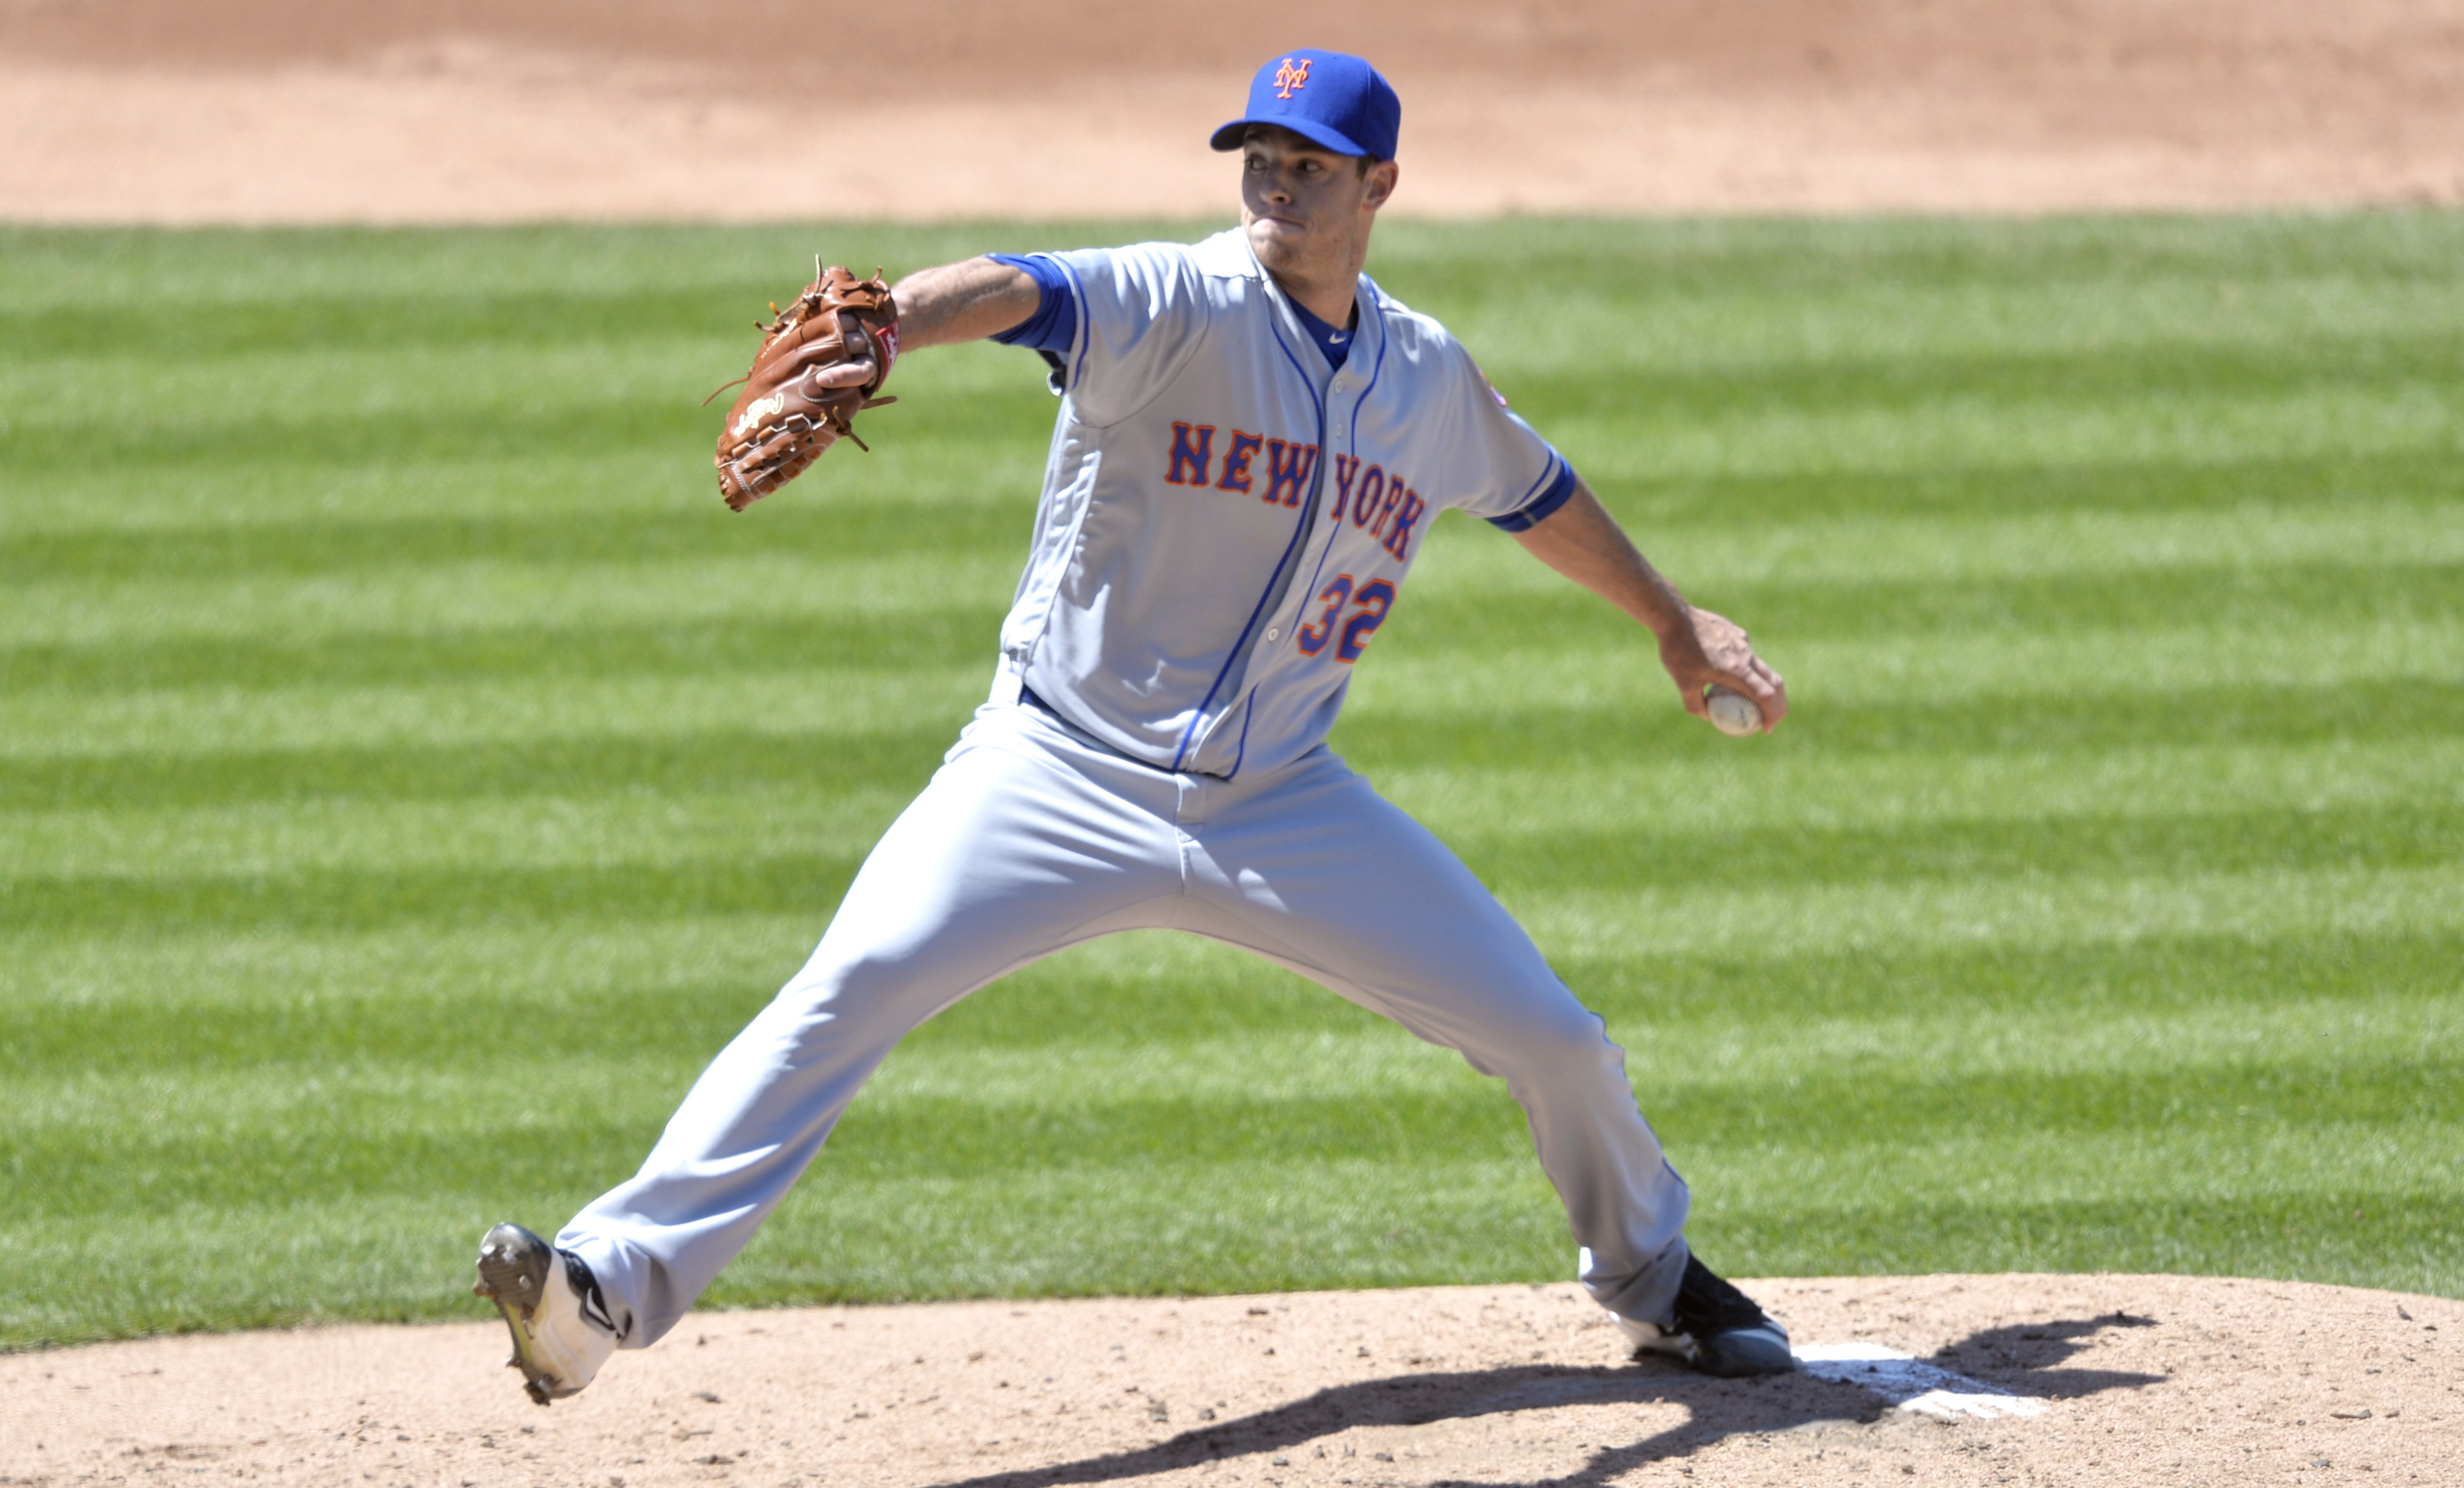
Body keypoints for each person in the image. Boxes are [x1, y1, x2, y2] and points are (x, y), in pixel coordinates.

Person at [475, 48, 1794, 1406]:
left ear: (1377, 186)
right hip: (1049, 774)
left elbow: (1539, 493)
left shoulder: (1423, 379)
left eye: (1308, 167)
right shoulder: (1178, 299)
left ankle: (1653, 1280)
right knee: (841, 996)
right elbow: (1020, 290)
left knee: (1553, 1038)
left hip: (1277, 804)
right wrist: (888, 328)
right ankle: (598, 1295)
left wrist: (1670, 621)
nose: (1273, 187)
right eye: (1257, 160)